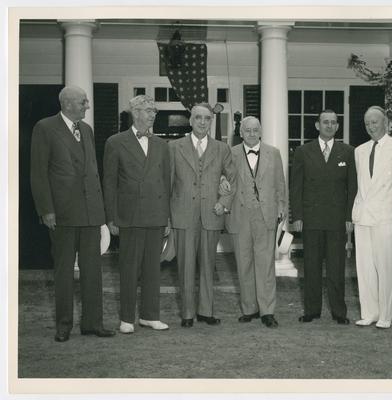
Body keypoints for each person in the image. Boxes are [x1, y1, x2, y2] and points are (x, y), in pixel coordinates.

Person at [30, 85, 115, 342]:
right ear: (67, 104)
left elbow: (91, 172)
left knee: (93, 271)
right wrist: (47, 210)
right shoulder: (45, 128)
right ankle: (63, 325)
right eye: (83, 102)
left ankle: (93, 323)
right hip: (63, 214)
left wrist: (101, 213)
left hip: (91, 214)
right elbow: (38, 173)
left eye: (86, 102)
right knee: (64, 271)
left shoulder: (86, 130)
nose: (87, 105)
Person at [103, 95, 171, 334]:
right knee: (129, 268)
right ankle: (127, 318)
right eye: (148, 110)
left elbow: (167, 183)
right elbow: (109, 182)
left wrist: (167, 218)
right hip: (129, 215)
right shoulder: (115, 142)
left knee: (153, 268)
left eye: (154, 110)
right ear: (135, 112)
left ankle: (150, 316)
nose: (153, 114)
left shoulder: (162, 145)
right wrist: (110, 217)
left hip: (155, 214)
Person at [169, 103, 236, 328]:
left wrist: (223, 203)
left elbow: (232, 179)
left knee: (208, 265)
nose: (202, 122)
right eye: (198, 117)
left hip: (211, 214)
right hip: (183, 215)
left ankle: (206, 311)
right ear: (190, 120)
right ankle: (187, 313)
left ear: (211, 121)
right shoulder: (174, 147)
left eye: (207, 118)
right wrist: (168, 218)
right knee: (185, 266)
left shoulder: (222, 148)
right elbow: (167, 183)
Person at [290, 109, 357, 324]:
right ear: (317, 126)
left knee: (337, 268)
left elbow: (352, 188)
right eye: (325, 122)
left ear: (337, 126)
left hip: (337, 221)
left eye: (333, 123)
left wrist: (349, 217)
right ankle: (312, 310)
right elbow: (296, 187)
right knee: (311, 266)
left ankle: (339, 312)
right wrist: (297, 216)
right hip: (311, 219)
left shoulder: (347, 152)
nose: (329, 126)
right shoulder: (303, 151)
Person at [352, 106, 392, 329]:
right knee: (364, 268)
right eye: (367, 123)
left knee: (386, 268)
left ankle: (385, 316)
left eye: (375, 122)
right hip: (363, 216)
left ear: (386, 122)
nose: (371, 127)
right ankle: (369, 312)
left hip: (388, 216)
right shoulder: (360, 150)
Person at [224, 116, 286, 328]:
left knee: (265, 265)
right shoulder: (230, 154)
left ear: (261, 131)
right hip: (239, 215)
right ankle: (249, 308)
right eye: (247, 130)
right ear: (241, 133)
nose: (251, 133)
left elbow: (280, 184)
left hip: (265, 216)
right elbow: (224, 182)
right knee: (244, 264)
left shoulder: (273, 153)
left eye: (255, 129)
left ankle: (267, 310)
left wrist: (281, 209)